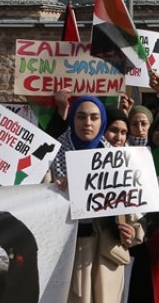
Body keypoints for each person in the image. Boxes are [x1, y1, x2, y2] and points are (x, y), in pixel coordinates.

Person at [49, 97, 144, 303]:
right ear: (72, 119)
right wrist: (54, 191)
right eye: (81, 117)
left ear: (102, 121)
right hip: (67, 257)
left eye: (94, 117)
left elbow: (134, 213)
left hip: (106, 258)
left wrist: (132, 233)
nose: (88, 123)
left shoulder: (119, 160)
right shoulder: (52, 157)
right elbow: (34, 202)